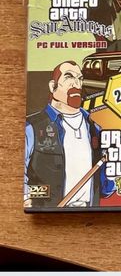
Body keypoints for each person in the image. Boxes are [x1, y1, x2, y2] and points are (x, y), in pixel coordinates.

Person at [25, 61, 114, 208]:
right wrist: (27, 196)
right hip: (48, 213)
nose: (76, 84)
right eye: (69, 77)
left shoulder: (94, 129)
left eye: (80, 78)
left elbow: (106, 189)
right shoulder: (32, 127)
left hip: (89, 213)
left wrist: (115, 170)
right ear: (52, 86)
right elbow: (18, 173)